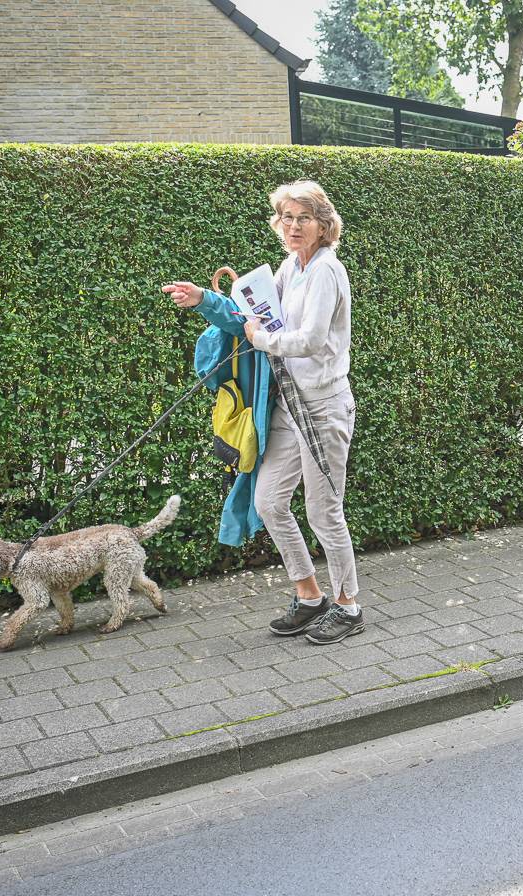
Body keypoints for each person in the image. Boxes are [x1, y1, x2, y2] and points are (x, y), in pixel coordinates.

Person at [163, 180, 364, 645]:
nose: (294, 226)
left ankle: (348, 605)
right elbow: (248, 314)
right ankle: (310, 595)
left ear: (323, 225)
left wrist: (262, 340)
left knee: (323, 512)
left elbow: (311, 340)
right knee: (269, 502)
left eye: (304, 218)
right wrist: (204, 299)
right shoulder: (289, 268)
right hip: (286, 406)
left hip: (323, 408)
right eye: (287, 218)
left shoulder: (327, 272)